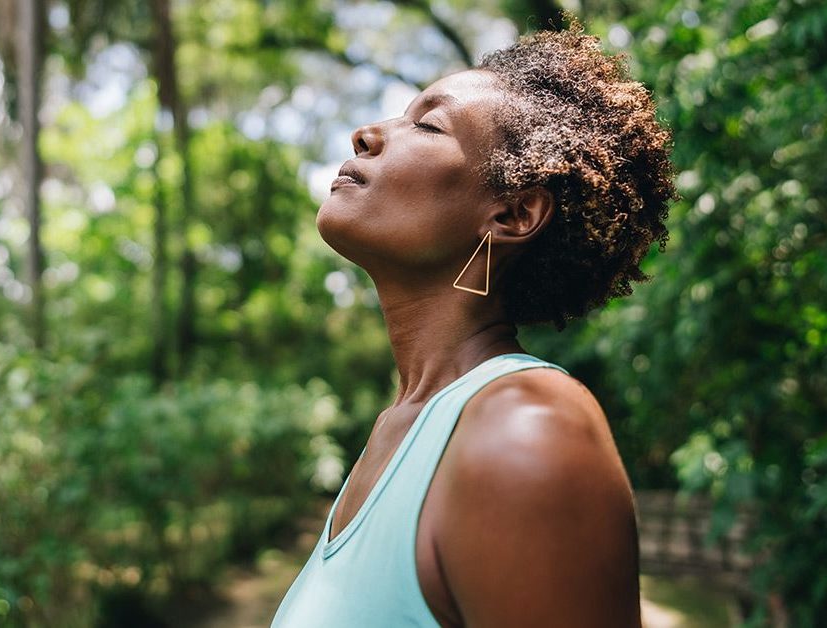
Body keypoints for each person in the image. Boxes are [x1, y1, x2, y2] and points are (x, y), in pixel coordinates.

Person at [271, 25, 675, 628]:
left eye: (429, 125)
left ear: (512, 214)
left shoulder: (526, 426)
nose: (367, 133)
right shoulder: (401, 427)